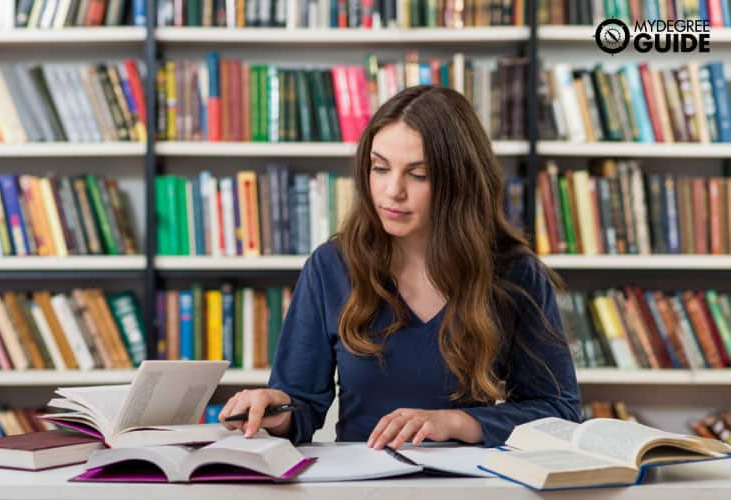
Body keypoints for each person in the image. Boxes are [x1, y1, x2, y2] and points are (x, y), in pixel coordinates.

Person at [218, 85, 581, 450]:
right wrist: (274, 411)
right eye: (379, 168)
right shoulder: (330, 266)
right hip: (363, 486)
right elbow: (301, 404)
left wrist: (455, 422)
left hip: (474, 485)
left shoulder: (515, 273)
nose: (393, 191)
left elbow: (559, 412)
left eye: (418, 175)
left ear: (460, 182)